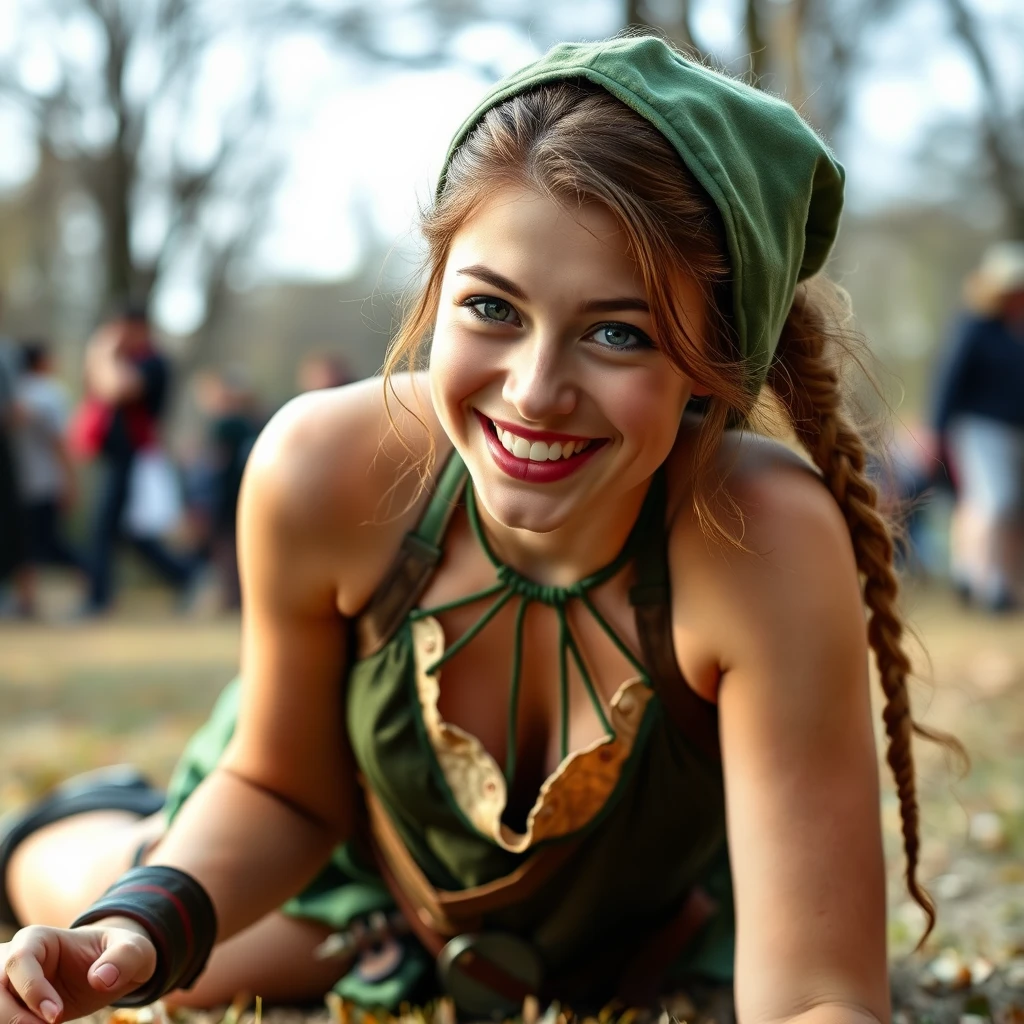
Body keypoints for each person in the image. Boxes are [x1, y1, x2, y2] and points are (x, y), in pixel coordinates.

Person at [0, 36, 956, 1024]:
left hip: (629, 931)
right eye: (491, 307)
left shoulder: (763, 537)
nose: (535, 392)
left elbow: (816, 993)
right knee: (147, 955)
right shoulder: (322, 470)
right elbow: (282, 788)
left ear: (712, 362)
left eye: (618, 332)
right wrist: (135, 922)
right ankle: (92, 820)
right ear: (436, 291)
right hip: (327, 856)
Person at [76, 302, 193, 614]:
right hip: (117, 457)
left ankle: (98, 598)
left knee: (108, 529)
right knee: (126, 533)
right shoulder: (126, 360)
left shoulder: (153, 362)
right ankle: (186, 575)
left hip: (138, 458)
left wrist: (101, 352)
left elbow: (116, 388)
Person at [930, 241, 1024, 612]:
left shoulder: (1016, 331)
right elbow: (948, 380)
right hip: (978, 427)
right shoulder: (975, 327)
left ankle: (972, 576)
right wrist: (935, 431)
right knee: (995, 499)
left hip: (1015, 429)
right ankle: (989, 586)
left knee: (989, 504)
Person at [8, 339, 85, 617]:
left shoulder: (15, 392)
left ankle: (26, 600)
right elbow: (59, 442)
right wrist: (70, 480)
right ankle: (92, 582)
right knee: (45, 544)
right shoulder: (47, 393)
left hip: (22, 483)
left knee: (34, 544)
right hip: (45, 480)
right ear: (40, 362)